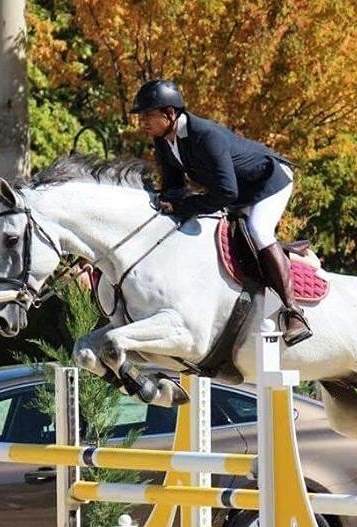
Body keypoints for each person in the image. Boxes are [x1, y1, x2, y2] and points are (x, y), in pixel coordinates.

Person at [130, 79, 311, 346]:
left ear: (169, 114)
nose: (142, 121)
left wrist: (184, 205)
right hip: (239, 190)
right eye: (141, 115)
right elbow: (174, 189)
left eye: (148, 114)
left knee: (258, 231)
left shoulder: (206, 136)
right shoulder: (163, 142)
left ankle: (294, 311)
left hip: (269, 182)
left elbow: (227, 194)